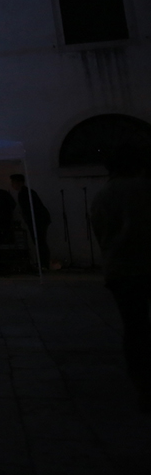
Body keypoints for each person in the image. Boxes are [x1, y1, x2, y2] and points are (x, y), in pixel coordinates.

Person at [89, 145, 151, 413]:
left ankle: (144, 387)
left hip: (123, 270)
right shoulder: (147, 189)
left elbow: (102, 234)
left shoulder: (104, 196)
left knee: (135, 328)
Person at [11, 173, 52, 269]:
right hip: (39, 219)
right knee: (40, 242)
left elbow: (29, 209)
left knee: (40, 241)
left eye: (14, 182)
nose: (12, 185)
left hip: (38, 220)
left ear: (20, 183)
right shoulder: (26, 192)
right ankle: (43, 263)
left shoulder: (24, 193)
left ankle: (44, 264)